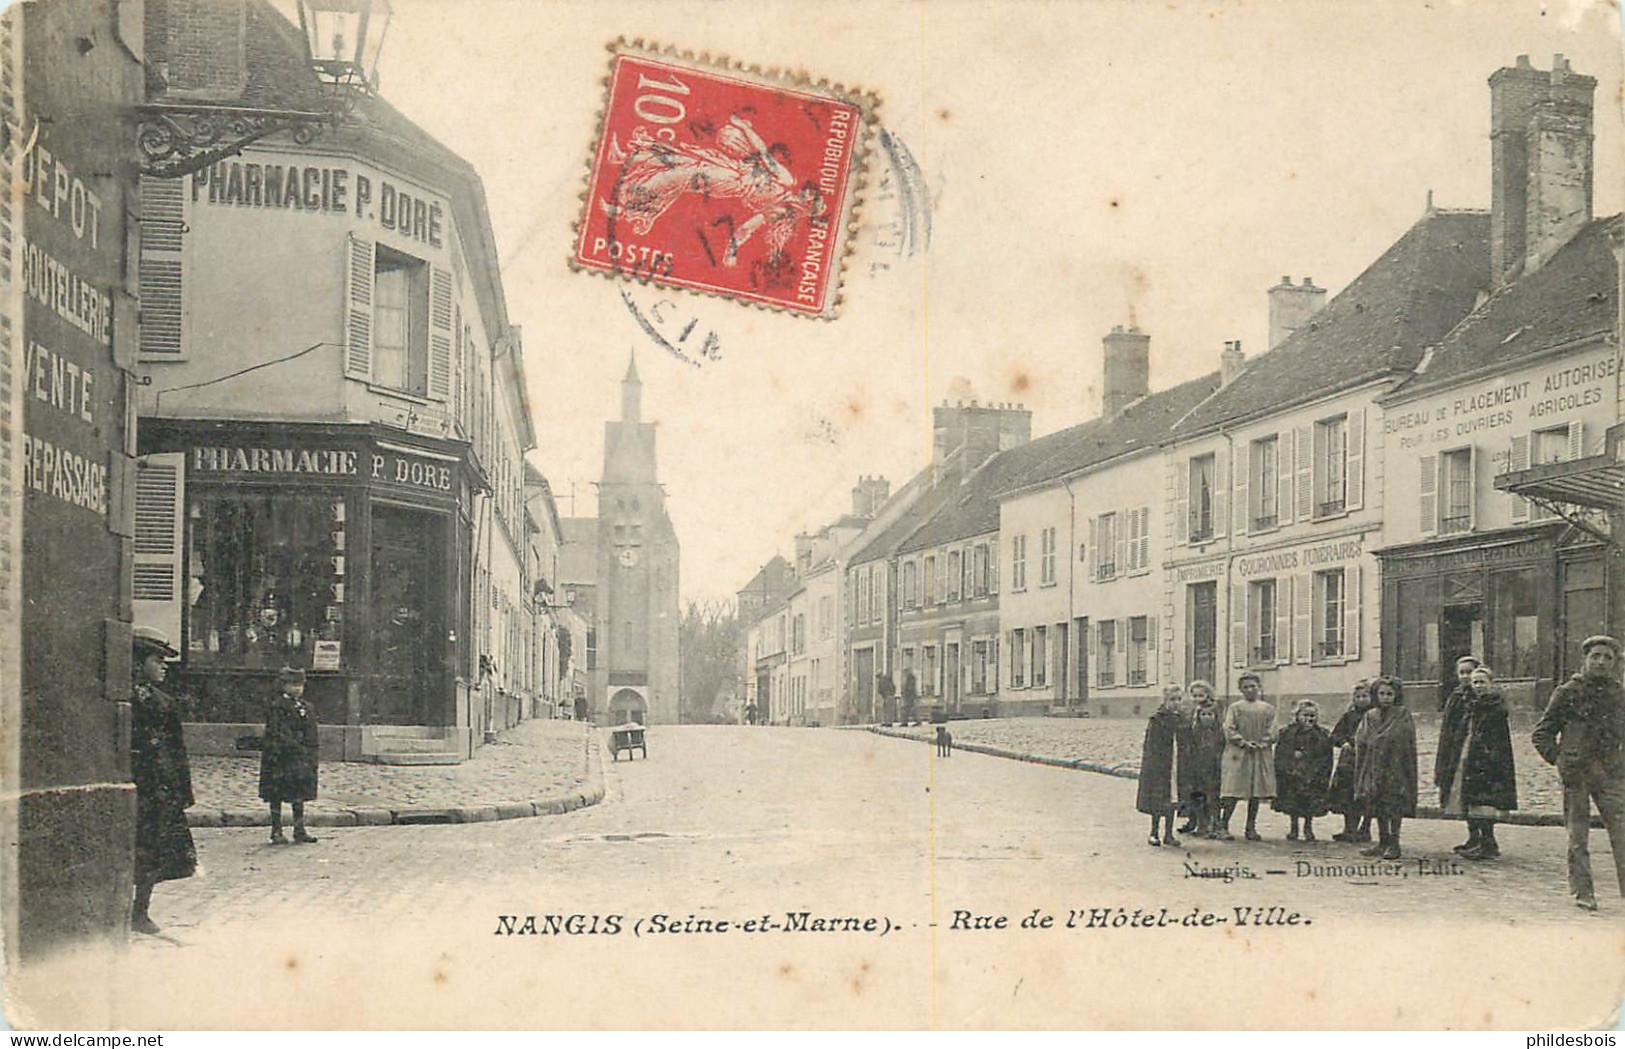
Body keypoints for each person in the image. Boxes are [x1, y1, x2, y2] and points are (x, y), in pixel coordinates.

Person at [1532, 635, 1625, 911]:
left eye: (1607, 658)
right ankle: (1583, 892)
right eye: (1595, 656)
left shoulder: (1620, 694)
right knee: (1578, 835)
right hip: (1576, 773)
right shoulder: (1567, 691)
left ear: (1614, 663)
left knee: (1622, 832)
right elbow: (1542, 733)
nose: (1601, 662)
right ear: (1585, 659)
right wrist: (1560, 759)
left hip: (1610, 774)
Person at [129, 626, 196, 935]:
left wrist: (183, 790)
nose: (164, 666)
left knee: (154, 851)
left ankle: (140, 912)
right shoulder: (123, 699)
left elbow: (177, 750)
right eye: (158, 660)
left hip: (160, 787)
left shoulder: (164, 703)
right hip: (135, 784)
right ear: (138, 662)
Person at [1438, 665, 1518, 860]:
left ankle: (1488, 842)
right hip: (1468, 755)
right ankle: (1478, 840)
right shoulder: (1471, 703)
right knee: (1471, 800)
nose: (1478, 686)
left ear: (1491, 684)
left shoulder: (1494, 705)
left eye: (1482, 682)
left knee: (1485, 802)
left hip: (1487, 760)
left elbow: (1497, 738)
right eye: (1475, 682)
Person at [1355, 676, 1418, 860]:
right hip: (1374, 766)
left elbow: (1403, 736)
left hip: (1395, 766)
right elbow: (1362, 737)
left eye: (1390, 694)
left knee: (1394, 805)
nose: (1385, 698)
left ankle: (1394, 843)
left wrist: (1381, 739)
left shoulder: (1402, 713)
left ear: (1396, 695)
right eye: (1381, 694)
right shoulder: (1370, 715)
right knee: (1377, 803)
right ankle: (1383, 841)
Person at [260, 666, 320, 845]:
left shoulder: (307, 707)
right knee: (276, 793)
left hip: (301, 757)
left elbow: (312, 731)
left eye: (300, 685)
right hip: (280, 756)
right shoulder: (277, 706)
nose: (297, 689)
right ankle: (276, 830)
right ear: (283, 686)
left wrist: (310, 752)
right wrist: (293, 746)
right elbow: (278, 731)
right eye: (292, 685)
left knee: (299, 793)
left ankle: (299, 829)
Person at [1218, 671, 1277, 841]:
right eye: (1246, 687)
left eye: (1253, 686)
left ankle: (1250, 827)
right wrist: (1242, 742)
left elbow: (1273, 730)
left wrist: (1263, 742)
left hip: (1259, 753)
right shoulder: (1235, 708)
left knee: (1255, 792)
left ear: (1259, 687)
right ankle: (1223, 825)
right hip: (1238, 753)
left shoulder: (1268, 709)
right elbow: (1229, 728)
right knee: (1233, 790)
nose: (1250, 690)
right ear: (1240, 690)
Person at [1435, 654, 1484, 852]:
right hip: (1458, 751)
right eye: (1461, 673)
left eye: (1469, 672)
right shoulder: (1455, 698)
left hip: (1478, 754)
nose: (1465, 677)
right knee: (1462, 794)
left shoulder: (1484, 696)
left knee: (1480, 797)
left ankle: (1487, 838)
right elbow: (1447, 729)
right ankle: (1473, 836)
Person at [1273, 699, 1334, 841]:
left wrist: (1319, 770)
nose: (1309, 719)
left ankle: (1308, 827)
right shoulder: (1288, 732)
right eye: (1305, 715)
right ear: (1297, 716)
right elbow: (1281, 752)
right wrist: (1291, 758)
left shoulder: (1321, 734)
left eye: (1312, 716)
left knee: (1309, 803)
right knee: (1293, 802)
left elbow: (1325, 754)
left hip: (1313, 774)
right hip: (1293, 773)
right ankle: (1294, 827)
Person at [1137, 685, 1185, 847]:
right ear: (1164, 701)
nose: (1176, 703)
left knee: (1173, 799)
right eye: (1172, 700)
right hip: (1160, 764)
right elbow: (1150, 745)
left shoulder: (1181, 719)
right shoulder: (1157, 719)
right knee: (1158, 799)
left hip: (1176, 763)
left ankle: (1169, 834)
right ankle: (1154, 832)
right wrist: (1154, 764)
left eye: (1179, 699)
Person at [1328, 680, 1374, 843]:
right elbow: (1335, 735)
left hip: (1368, 759)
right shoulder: (1349, 716)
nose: (1362, 699)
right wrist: (1344, 743)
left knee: (1367, 794)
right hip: (1349, 760)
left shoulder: (1374, 715)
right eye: (1358, 696)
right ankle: (1349, 828)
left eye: (1365, 696)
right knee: (1347, 793)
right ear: (1353, 699)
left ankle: (1365, 828)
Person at [1178, 681, 1225, 838]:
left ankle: (1211, 824)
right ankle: (1194, 821)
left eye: (1201, 695)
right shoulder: (1190, 711)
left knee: (1210, 794)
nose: (1198, 699)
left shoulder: (1213, 710)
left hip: (1211, 761)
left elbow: (1220, 737)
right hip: (1195, 760)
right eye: (1195, 695)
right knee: (1193, 792)